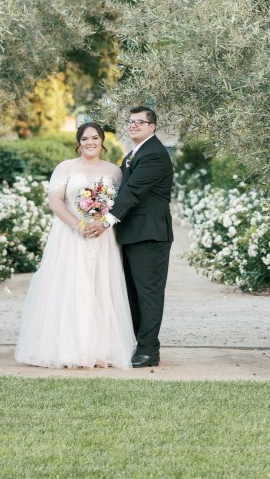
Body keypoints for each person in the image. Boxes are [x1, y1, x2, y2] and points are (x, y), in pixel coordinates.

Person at [15, 122, 134, 369]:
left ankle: (101, 349)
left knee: (101, 288)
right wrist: (78, 226)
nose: (90, 142)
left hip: (102, 238)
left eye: (95, 138)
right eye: (85, 138)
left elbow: (119, 205)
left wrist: (101, 224)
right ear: (78, 143)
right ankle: (68, 348)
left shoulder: (114, 172)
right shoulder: (65, 167)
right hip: (70, 237)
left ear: (102, 141)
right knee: (69, 287)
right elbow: (56, 201)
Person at [84, 106, 174, 368]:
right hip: (133, 234)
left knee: (148, 293)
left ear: (152, 127)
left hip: (150, 235)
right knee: (133, 293)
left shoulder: (154, 155)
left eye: (139, 122)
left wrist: (106, 221)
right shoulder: (134, 154)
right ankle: (140, 345)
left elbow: (132, 192)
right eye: (130, 121)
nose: (133, 125)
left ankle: (149, 350)